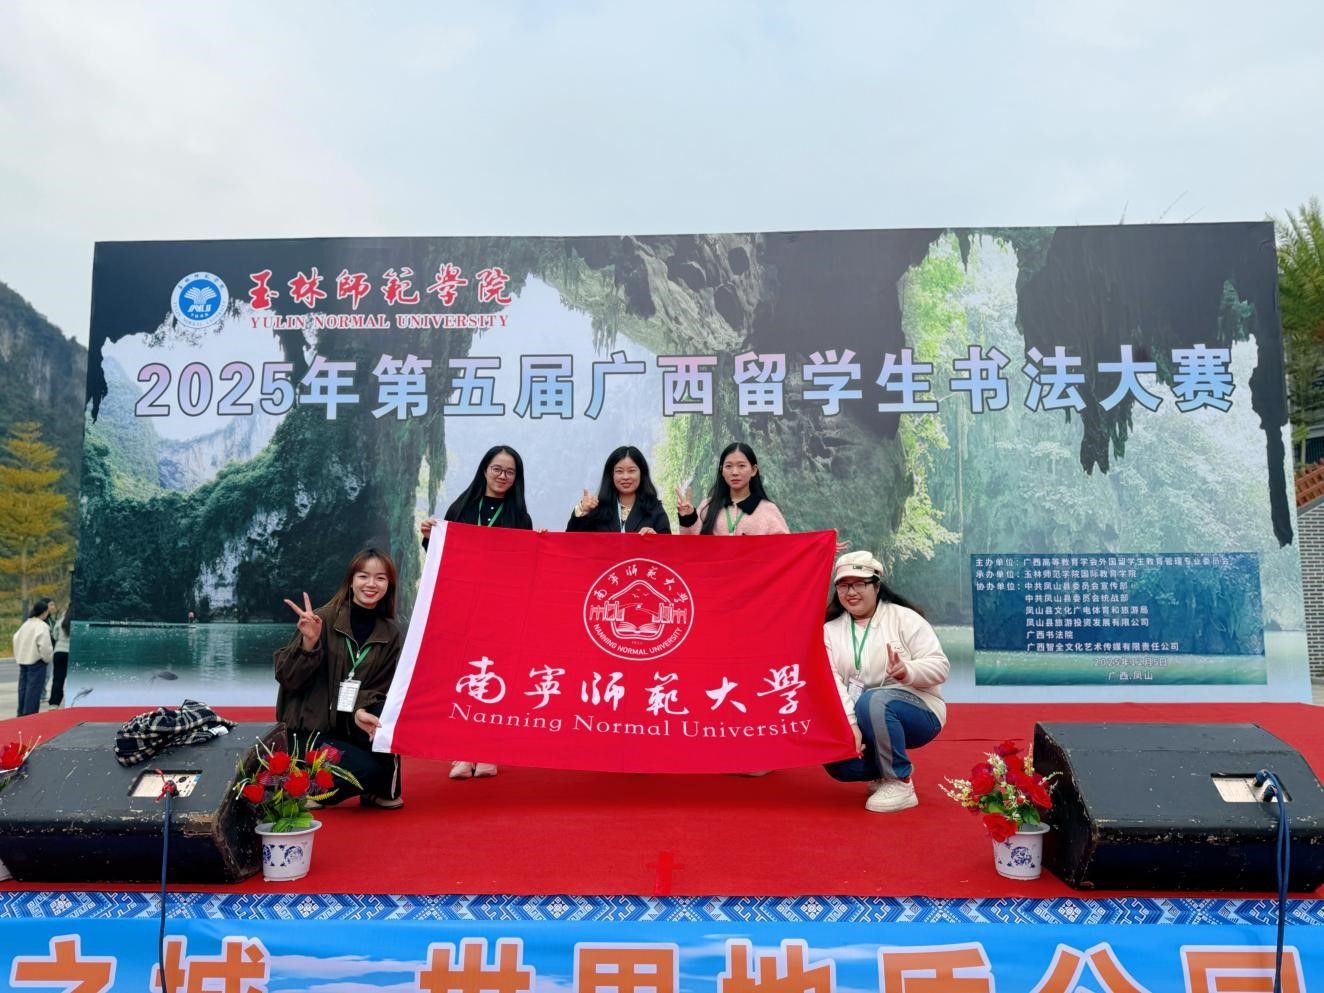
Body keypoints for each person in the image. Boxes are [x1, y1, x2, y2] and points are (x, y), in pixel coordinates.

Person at [419, 444, 532, 780]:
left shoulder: (519, 516)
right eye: (497, 469)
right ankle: (461, 751)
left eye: (510, 472)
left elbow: (527, 564)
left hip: (500, 610)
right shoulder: (463, 506)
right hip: (462, 607)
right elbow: (443, 555)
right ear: (485, 469)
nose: (502, 476)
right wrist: (429, 538)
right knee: (463, 677)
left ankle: (488, 751)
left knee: (494, 677)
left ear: (516, 478)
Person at [274, 548, 405, 809]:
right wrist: (309, 644)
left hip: (348, 724)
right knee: (369, 771)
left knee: (385, 713)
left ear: (389, 585)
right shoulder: (321, 619)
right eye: (363, 576)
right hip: (311, 730)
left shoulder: (389, 632)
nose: (371, 584)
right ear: (351, 581)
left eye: (380, 578)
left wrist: (360, 710)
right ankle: (307, 787)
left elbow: (379, 687)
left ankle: (378, 791)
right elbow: (287, 678)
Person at [822, 551, 948, 813]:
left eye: (859, 584)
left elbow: (940, 667)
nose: (851, 592)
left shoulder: (904, 618)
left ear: (876, 586)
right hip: (862, 714)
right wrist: (850, 724)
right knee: (838, 761)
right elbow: (831, 681)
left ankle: (899, 781)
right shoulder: (829, 631)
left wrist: (907, 671)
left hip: (919, 710)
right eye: (844, 585)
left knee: (875, 699)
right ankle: (884, 767)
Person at [676, 442, 789, 536]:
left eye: (741, 466)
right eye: (728, 466)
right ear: (722, 470)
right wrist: (688, 517)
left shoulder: (768, 510)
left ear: (753, 470)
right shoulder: (707, 506)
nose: (734, 472)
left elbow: (784, 549)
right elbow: (691, 546)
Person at [567, 446, 671, 534]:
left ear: (642, 473)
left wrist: (655, 539)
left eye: (631, 471)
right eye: (619, 471)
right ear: (611, 475)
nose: (625, 477)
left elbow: (668, 547)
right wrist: (583, 510)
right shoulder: (597, 509)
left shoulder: (654, 509)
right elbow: (572, 544)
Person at [12, 599, 55, 717]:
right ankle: (30, 716)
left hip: (23, 661)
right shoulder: (42, 626)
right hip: (37, 662)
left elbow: (15, 638)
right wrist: (47, 658)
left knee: (23, 689)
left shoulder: (26, 624)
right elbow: (45, 646)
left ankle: (21, 714)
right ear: (44, 612)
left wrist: (19, 655)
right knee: (33, 691)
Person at [49, 604, 71, 708]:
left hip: (59, 652)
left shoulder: (61, 619)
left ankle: (54, 703)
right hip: (72, 653)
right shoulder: (78, 621)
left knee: (58, 679)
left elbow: (55, 635)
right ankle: (72, 701)